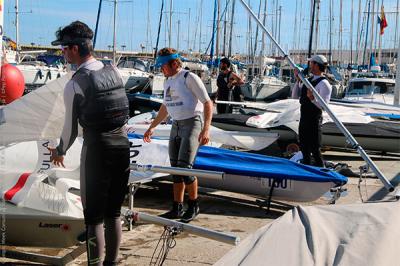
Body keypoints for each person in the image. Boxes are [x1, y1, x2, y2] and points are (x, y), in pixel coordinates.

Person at [48, 21, 130, 265]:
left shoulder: (75, 83)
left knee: (93, 217)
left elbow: (69, 130)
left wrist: (59, 151)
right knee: (113, 212)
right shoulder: (114, 70)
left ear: (74, 48)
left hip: (97, 151)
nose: (62, 53)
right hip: (122, 146)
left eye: (63, 48)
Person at [143, 47, 213, 223]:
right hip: (176, 124)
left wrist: (206, 129)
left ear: (174, 63)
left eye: (163, 65)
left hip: (192, 123)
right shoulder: (167, 81)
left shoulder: (188, 77)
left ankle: (194, 205)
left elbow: (207, 103)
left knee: (184, 169)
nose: (161, 69)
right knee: (174, 169)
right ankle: (177, 207)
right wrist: (152, 127)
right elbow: (165, 107)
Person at [292, 55, 332, 167]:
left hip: (314, 119)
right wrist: (297, 81)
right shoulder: (307, 80)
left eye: (311, 63)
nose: (309, 65)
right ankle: (306, 171)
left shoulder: (325, 84)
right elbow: (294, 96)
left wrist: (312, 98)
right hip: (304, 118)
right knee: (304, 148)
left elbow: (324, 107)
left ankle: (321, 171)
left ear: (316, 65)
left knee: (315, 149)